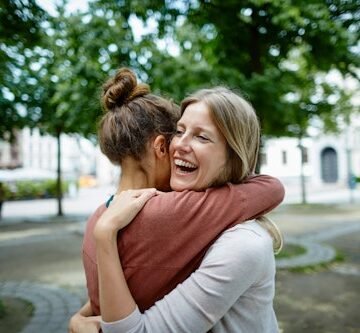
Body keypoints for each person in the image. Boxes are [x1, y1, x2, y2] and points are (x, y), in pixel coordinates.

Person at [69, 70, 284, 333]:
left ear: (233, 154)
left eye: (202, 136)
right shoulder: (176, 214)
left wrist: (80, 317)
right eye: (179, 132)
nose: (180, 144)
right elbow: (271, 188)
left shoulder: (100, 218)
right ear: (161, 146)